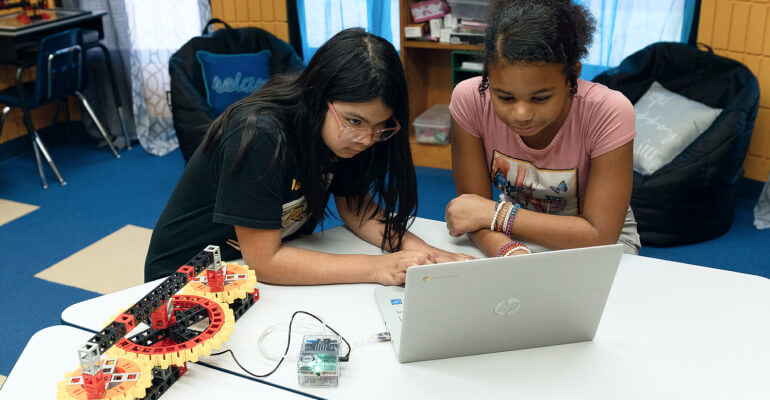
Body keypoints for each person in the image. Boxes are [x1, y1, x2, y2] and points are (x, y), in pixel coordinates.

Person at [146, 28, 467, 285]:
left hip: (253, 268)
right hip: (184, 278)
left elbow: (358, 209)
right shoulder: (261, 134)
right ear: (317, 95)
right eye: (355, 121)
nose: (367, 139)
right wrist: (378, 267)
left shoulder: (350, 134)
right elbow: (266, 262)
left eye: (380, 126)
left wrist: (422, 252)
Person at [445, 0, 641, 257]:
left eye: (540, 98)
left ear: (572, 76)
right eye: (505, 97)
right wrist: (509, 251)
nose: (521, 115)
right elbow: (472, 212)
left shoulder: (608, 111)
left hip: (598, 243)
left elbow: (599, 235)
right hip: (512, 232)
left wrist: (497, 214)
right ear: (488, 77)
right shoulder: (470, 99)